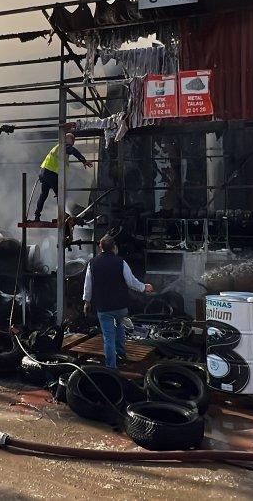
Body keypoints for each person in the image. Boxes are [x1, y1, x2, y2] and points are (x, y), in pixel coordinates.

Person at [82, 235, 153, 369]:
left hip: (103, 307)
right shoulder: (121, 262)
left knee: (108, 337)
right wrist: (144, 287)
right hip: (120, 306)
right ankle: (121, 353)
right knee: (119, 326)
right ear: (114, 247)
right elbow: (131, 282)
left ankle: (111, 367)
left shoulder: (92, 263)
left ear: (100, 247)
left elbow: (88, 285)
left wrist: (87, 302)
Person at [34, 131, 90, 222]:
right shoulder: (64, 146)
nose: (73, 142)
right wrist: (84, 161)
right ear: (68, 139)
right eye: (73, 140)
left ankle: (37, 216)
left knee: (43, 195)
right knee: (61, 194)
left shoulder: (58, 148)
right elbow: (73, 150)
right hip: (51, 173)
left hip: (44, 172)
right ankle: (61, 215)